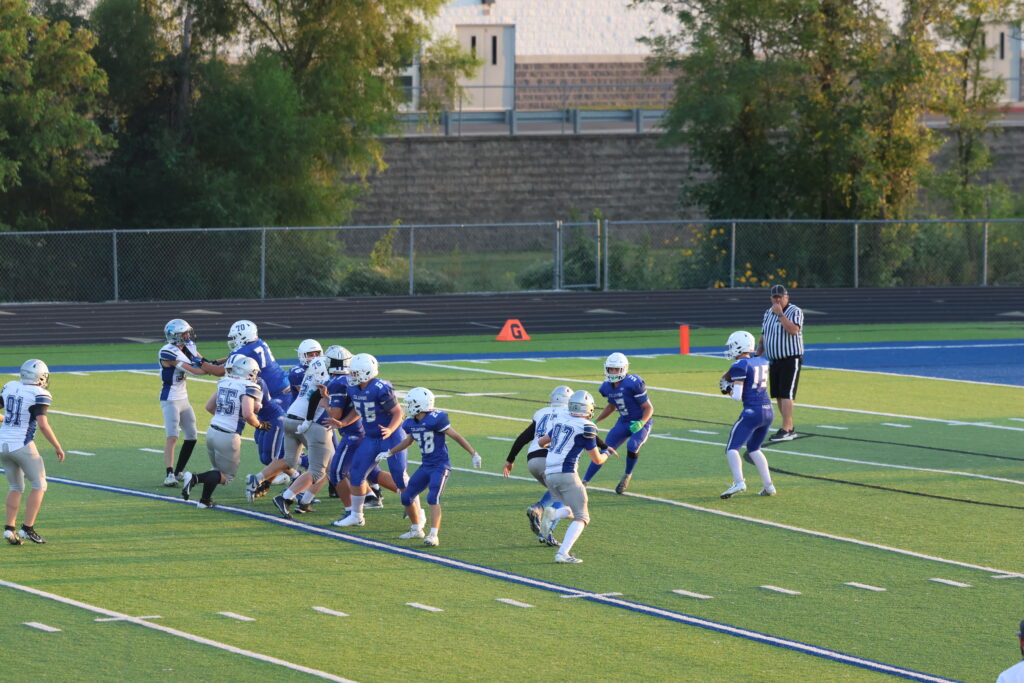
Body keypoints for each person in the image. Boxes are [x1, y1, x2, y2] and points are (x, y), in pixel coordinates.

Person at [505, 385, 616, 546]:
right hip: (554, 461)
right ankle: (547, 531)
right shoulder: (570, 415)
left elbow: (523, 437)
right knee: (566, 497)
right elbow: (588, 434)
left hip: (532, 460)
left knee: (556, 491)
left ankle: (538, 508)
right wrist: (605, 448)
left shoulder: (542, 412)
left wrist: (510, 460)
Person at [376, 387, 481, 546]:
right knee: (406, 496)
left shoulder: (436, 419)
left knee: (432, 497)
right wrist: (390, 452)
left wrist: (473, 453)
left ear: (420, 404)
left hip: (440, 466)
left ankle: (433, 535)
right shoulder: (411, 422)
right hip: (426, 466)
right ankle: (416, 529)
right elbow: (408, 441)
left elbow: (456, 436)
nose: (408, 406)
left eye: (411, 403)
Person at [205, 320, 292, 494]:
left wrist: (201, 363)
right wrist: (215, 361)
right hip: (278, 390)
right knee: (262, 440)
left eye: (235, 337)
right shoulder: (256, 344)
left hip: (278, 396)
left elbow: (219, 371)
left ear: (243, 336)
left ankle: (290, 467)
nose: (233, 340)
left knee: (272, 444)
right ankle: (284, 466)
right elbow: (231, 359)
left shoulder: (247, 357)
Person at [332, 353, 414, 528]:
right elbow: (359, 408)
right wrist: (343, 422)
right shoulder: (353, 388)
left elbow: (398, 412)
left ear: (367, 372)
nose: (352, 375)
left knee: (399, 475)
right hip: (371, 437)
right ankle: (356, 516)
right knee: (357, 474)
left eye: (355, 372)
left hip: (391, 436)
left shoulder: (381, 388)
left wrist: (390, 429)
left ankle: (417, 513)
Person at [183, 355, 269, 508]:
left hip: (212, 430)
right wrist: (260, 425)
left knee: (217, 470)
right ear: (249, 372)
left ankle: (205, 501)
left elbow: (209, 407)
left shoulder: (224, 382)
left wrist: (224, 417)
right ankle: (194, 478)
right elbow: (248, 414)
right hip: (228, 435)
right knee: (227, 476)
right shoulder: (249, 387)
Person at [537, 389, 608, 564]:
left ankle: (553, 514)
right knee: (583, 517)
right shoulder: (586, 427)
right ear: (588, 408)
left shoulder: (561, 420)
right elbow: (597, 460)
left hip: (549, 474)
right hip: (566, 473)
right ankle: (562, 553)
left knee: (573, 508)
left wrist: (558, 447)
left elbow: (541, 442)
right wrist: (606, 453)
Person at [1, 360, 64, 545]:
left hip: (2, 444)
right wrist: (57, 446)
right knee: (39, 484)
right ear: (40, 377)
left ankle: (9, 529)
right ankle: (27, 528)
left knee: (15, 487)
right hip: (22, 444)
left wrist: (6, 419)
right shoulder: (39, 393)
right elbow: (43, 424)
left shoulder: (10, 386)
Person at [272, 356, 336, 518]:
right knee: (318, 471)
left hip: (290, 418)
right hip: (308, 422)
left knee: (328, 465)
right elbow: (315, 396)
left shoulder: (310, 375)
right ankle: (285, 497)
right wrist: (308, 421)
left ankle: (304, 501)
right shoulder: (326, 378)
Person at [581, 352, 653, 494]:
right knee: (605, 449)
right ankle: (585, 481)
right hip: (624, 421)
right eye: (611, 369)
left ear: (624, 369)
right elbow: (611, 406)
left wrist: (641, 423)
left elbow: (649, 408)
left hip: (641, 421)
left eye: (616, 369)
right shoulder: (606, 387)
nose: (613, 372)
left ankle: (627, 475)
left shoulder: (634, 383)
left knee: (632, 446)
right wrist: (596, 420)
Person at [718, 331, 776, 499]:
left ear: (739, 346)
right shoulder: (762, 360)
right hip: (768, 410)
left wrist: (728, 389)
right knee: (754, 449)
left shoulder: (740, 365)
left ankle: (739, 482)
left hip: (752, 412)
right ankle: (769, 486)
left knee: (732, 448)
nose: (730, 349)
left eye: (732, 346)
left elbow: (737, 396)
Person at [158, 319, 210, 486]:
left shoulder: (187, 347)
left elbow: (205, 362)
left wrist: (223, 363)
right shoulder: (167, 352)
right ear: (175, 336)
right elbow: (195, 371)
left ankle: (179, 471)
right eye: (184, 333)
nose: (188, 335)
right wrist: (214, 369)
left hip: (183, 398)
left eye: (187, 332)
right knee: (172, 436)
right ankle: (169, 474)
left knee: (192, 435)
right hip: (170, 399)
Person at [756, 284, 804, 441]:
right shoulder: (767, 313)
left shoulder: (794, 311)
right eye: (775, 297)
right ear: (771, 298)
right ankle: (788, 427)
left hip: (790, 358)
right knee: (777, 394)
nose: (777, 300)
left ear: (786, 297)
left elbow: (794, 330)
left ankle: (787, 428)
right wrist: (757, 354)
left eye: (780, 297)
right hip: (774, 360)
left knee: (786, 394)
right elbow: (764, 335)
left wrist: (780, 315)